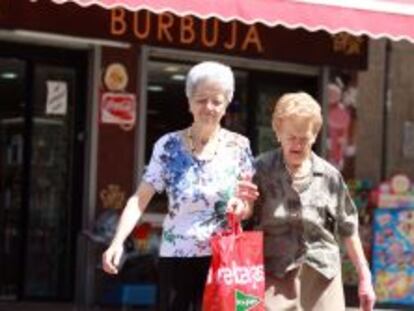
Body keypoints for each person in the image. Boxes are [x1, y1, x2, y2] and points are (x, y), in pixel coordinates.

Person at [102, 61, 254, 311]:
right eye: (201, 99)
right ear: (189, 102)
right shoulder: (167, 146)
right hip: (176, 255)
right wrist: (117, 241)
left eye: (216, 101)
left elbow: (247, 204)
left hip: (222, 260)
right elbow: (139, 199)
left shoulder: (240, 146)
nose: (208, 107)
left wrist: (242, 207)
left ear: (226, 104)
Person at [238, 92, 376, 311]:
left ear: (315, 136)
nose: (298, 145)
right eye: (291, 137)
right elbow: (243, 216)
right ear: (278, 132)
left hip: (322, 278)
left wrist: (364, 277)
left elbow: (348, 228)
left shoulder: (330, 176)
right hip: (273, 275)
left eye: (305, 139)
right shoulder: (260, 169)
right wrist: (242, 207)